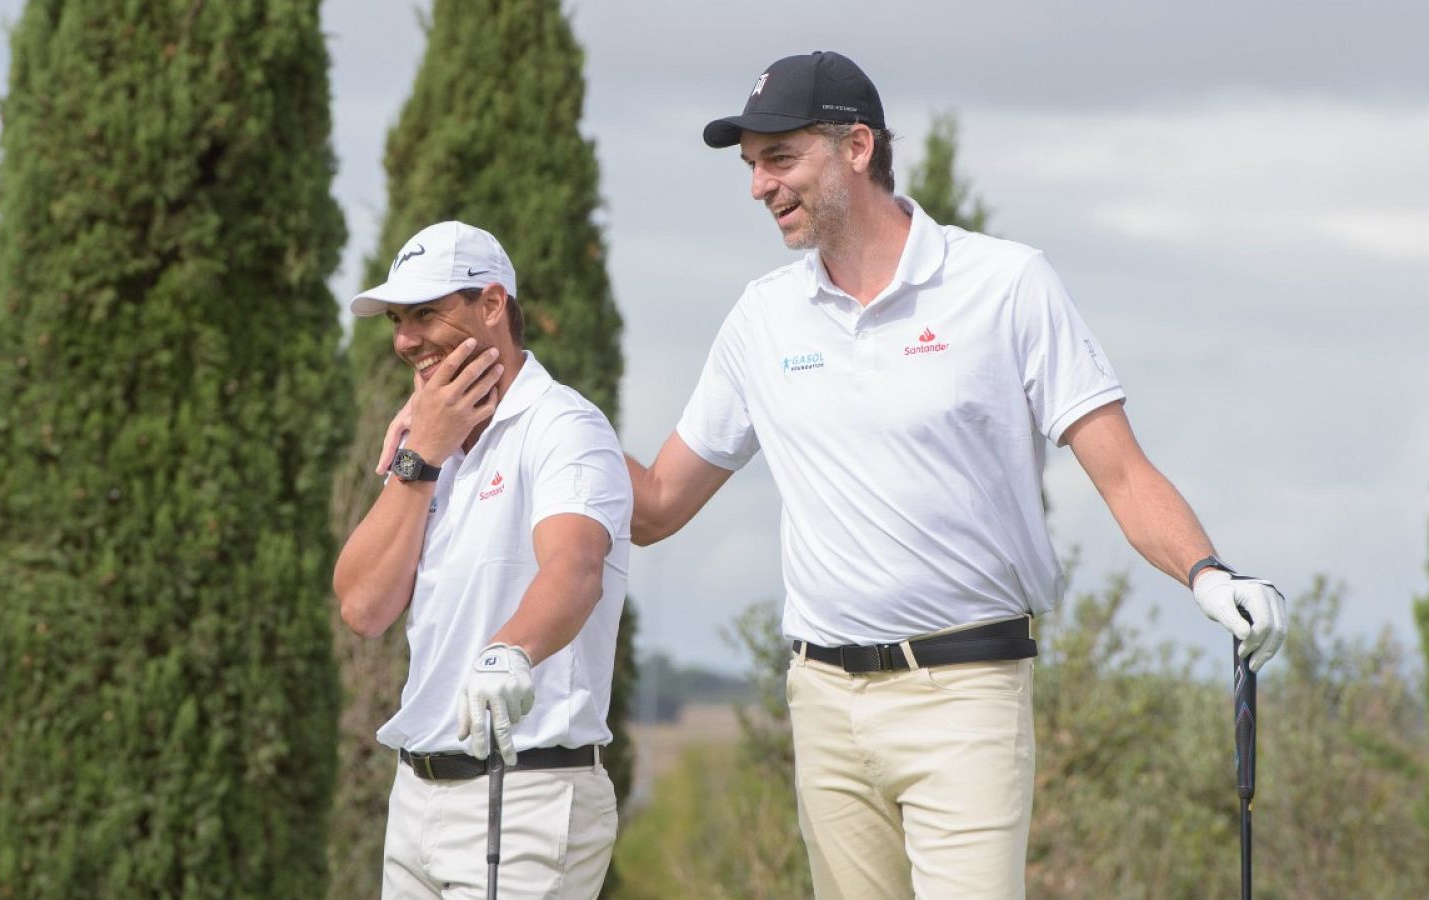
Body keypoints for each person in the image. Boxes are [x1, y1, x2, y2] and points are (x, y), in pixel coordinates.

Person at [625, 52, 1290, 899]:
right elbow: (656, 504)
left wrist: (1207, 572)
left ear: (857, 147)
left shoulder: (1006, 284)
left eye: (780, 158)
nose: (759, 186)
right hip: (823, 704)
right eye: (752, 165)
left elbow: (1122, 473)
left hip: (966, 696)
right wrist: (531, 401)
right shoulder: (762, 317)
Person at [335, 221, 630, 898]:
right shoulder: (428, 446)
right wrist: (420, 457)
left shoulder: (564, 426)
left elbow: (575, 566)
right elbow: (362, 606)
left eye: (425, 314)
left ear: (492, 304)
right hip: (415, 799)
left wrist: (511, 651)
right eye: (397, 321)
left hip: (523, 798)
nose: (405, 340)